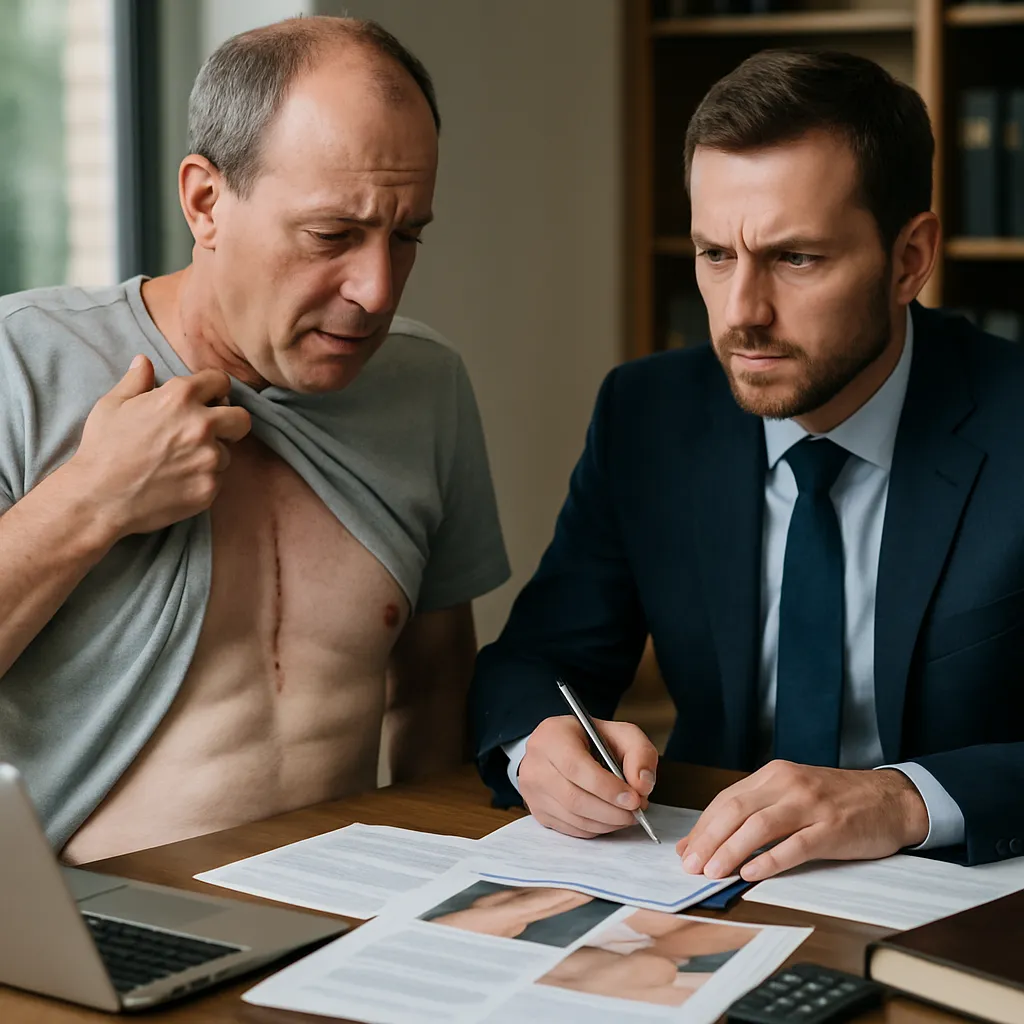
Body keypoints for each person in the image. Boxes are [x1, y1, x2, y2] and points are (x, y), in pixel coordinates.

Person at [470, 49, 1024, 879]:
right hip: (704, 878)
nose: (741, 314)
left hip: (957, 896)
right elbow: (535, 661)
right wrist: (537, 746)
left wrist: (902, 799)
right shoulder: (647, 415)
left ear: (910, 259)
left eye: (796, 258)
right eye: (715, 255)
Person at [0, 17, 509, 864]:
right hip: (84, 923)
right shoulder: (21, 364)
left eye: (406, 235)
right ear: (206, 201)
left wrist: (440, 893)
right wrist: (91, 500)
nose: (377, 290)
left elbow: (433, 690)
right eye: (331, 236)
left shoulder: (426, 388)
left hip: (339, 914)